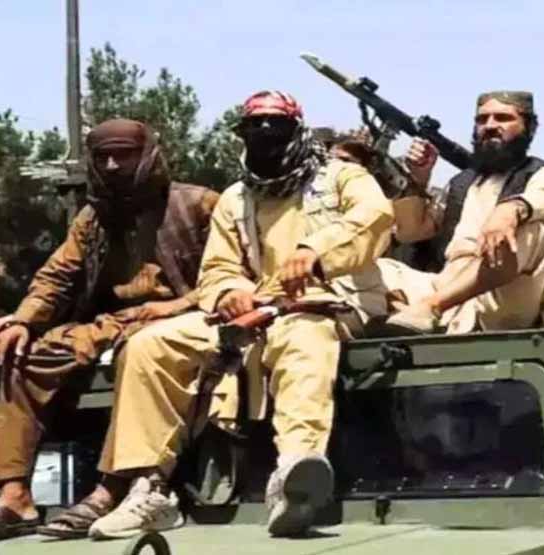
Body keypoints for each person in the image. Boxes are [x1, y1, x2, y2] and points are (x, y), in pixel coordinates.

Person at [82, 90, 394, 539]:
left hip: (329, 301)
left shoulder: (343, 177)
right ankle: (149, 489)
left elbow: (375, 217)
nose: (265, 132)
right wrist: (232, 291)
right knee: (149, 345)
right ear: (241, 134)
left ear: (298, 129)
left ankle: (295, 478)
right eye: (254, 125)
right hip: (258, 310)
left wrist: (316, 251)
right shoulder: (236, 197)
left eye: (276, 124)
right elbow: (218, 268)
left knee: (303, 340)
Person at [0, 119, 220, 546]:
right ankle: (14, 497)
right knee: (18, 354)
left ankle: (112, 490)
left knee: (141, 351)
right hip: (111, 323)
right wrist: (22, 321)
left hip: (180, 320)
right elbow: (57, 277)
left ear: (147, 155)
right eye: (102, 156)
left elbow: (232, 275)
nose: (111, 165)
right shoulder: (93, 219)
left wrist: (177, 305)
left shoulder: (198, 205)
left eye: (123, 155)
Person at [375, 91, 544, 334]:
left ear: (530, 127)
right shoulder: (462, 183)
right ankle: (412, 312)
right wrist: (418, 179)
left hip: (502, 297)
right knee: (372, 268)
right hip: (447, 283)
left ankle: (429, 308)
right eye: (482, 119)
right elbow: (411, 233)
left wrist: (510, 211)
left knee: (529, 231)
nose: (490, 126)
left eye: (503, 118)